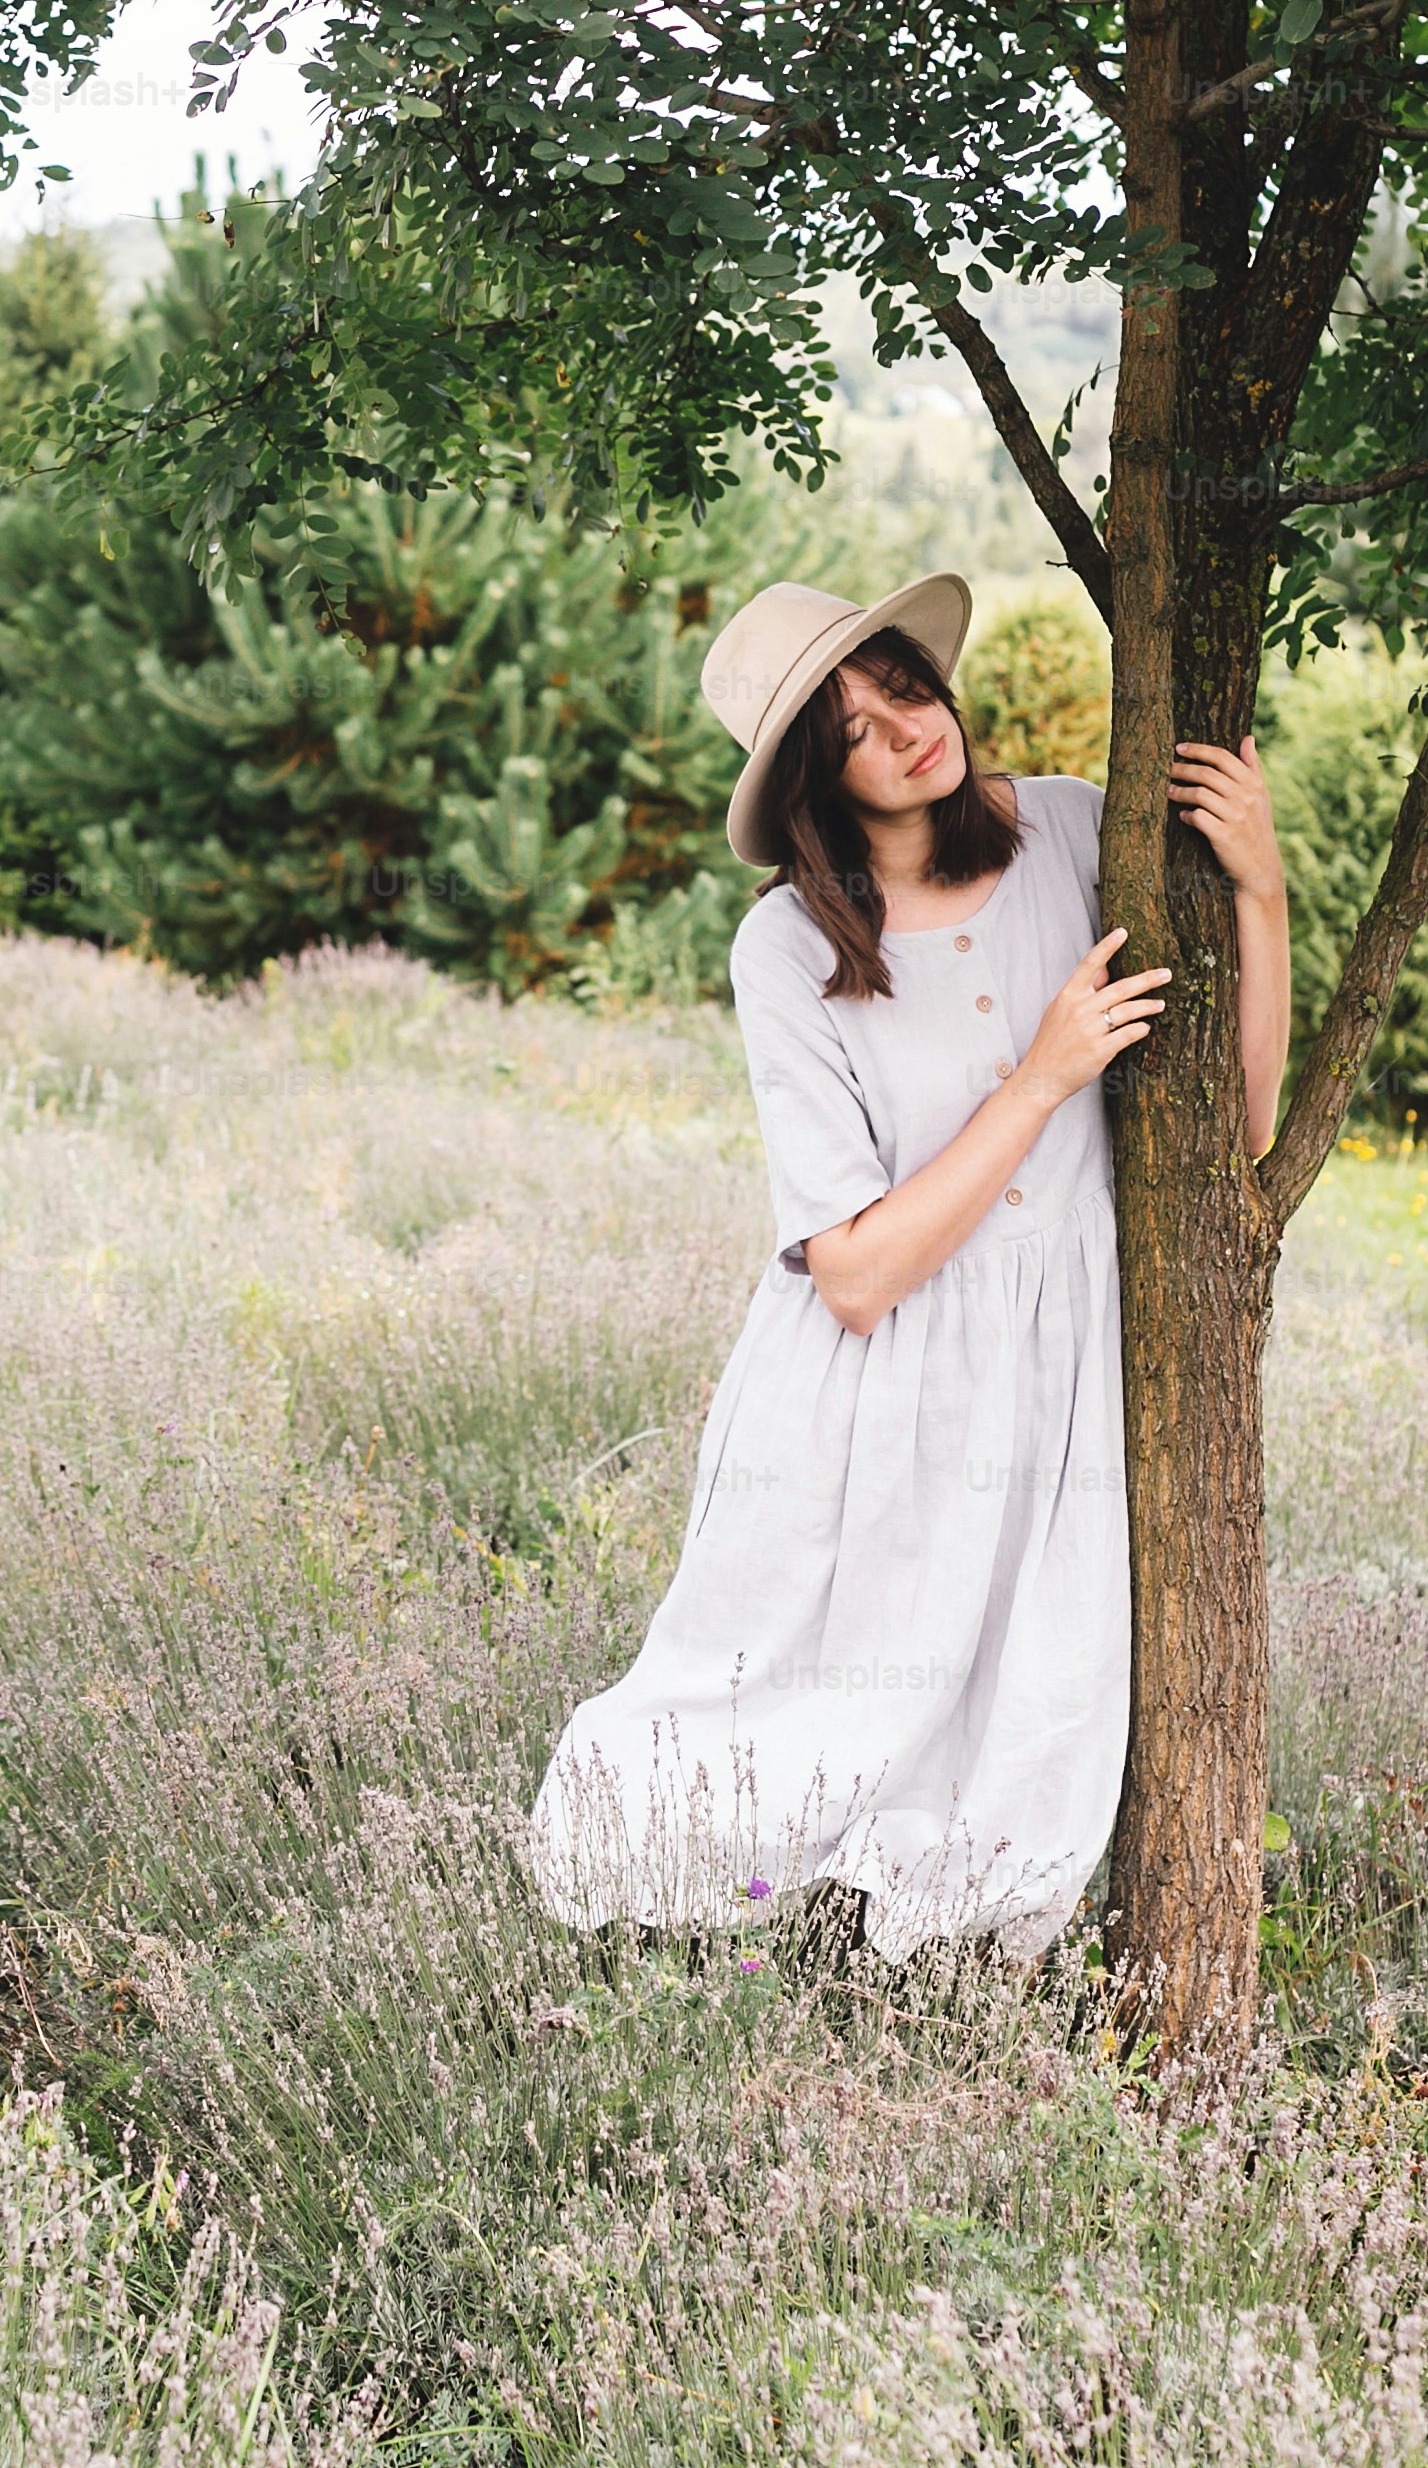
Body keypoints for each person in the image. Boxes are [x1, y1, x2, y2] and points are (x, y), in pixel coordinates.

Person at [521, 572, 1288, 1965]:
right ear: (817, 775)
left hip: (1056, 1376)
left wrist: (1264, 896)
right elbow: (856, 1273)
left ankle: (905, 1985)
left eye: (902, 686)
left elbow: (1229, 1137)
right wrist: (1043, 1077)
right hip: (870, 1387)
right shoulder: (792, 947)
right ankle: (694, 1947)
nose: (901, 730)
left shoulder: (1069, 829)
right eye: (851, 726)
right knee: (772, 1712)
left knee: (1013, 1719)